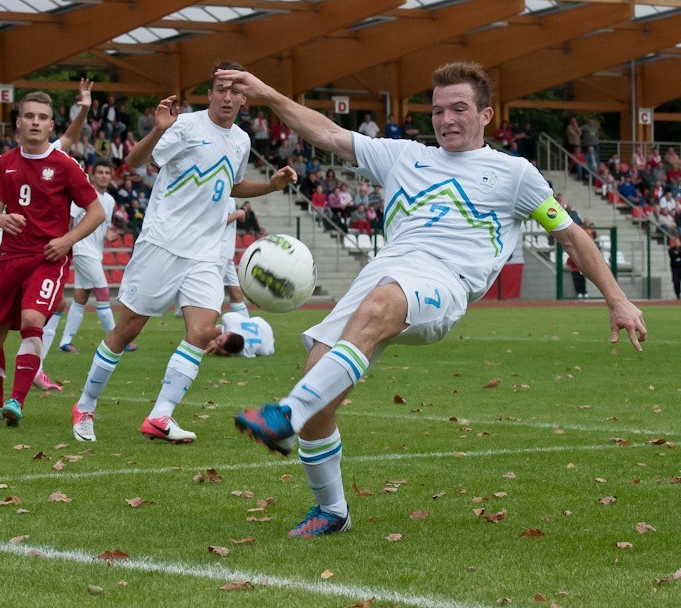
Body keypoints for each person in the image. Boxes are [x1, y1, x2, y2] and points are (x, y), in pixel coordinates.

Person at [222, 61, 647, 538]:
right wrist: (267, 92)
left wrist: (617, 299)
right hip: (382, 271)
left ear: (486, 115)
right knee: (321, 383)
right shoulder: (404, 155)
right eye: (438, 110)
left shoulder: (515, 173)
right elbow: (327, 133)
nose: (446, 119)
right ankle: (332, 510)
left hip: (444, 281)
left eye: (459, 108)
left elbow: (571, 236)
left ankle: (285, 415)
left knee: (377, 310)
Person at [71, 61, 296, 444]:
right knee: (127, 330)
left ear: (245, 97)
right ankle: (85, 403)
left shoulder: (241, 140)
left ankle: (160, 416)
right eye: (220, 89)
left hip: (207, 253)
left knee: (204, 331)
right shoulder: (186, 126)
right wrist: (158, 131)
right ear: (209, 94)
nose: (227, 96)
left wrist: (271, 187)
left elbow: (233, 186)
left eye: (234, 90)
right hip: (163, 243)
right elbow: (134, 163)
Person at [0, 88, 104, 425]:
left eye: (42, 117)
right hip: (9, 259)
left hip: (48, 258)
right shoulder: (6, 163)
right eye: (29, 116)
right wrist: (1, 219)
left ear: (50, 125)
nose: (35, 122)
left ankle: (17, 401)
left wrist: (67, 240)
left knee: (32, 320)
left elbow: (96, 212)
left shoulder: (64, 165)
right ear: (18, 122)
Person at [58, 161, 138, 354]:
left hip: (95, 251)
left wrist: (109, 234)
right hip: (82, 249)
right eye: (100, 172)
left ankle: (65, 341)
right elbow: (70, 221)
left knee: (81, 297)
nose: (103, 176)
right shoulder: (84, 195)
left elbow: (105, 226)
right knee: (103, 293)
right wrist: (67, 243)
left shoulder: (109, 200)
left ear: (111, 176)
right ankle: (117, 339)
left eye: (106, 173)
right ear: (93, 175)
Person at [205, 312, 275, 358]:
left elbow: (228, 353)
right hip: (260, 322)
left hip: (266, 338)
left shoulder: (245, 350)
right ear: (229, 333)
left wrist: (218, 350)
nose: (216, 342)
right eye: (220, 340)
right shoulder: (228, 318)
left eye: (220, 345)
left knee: (265, 352)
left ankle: (271, 340)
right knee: (213, 331)